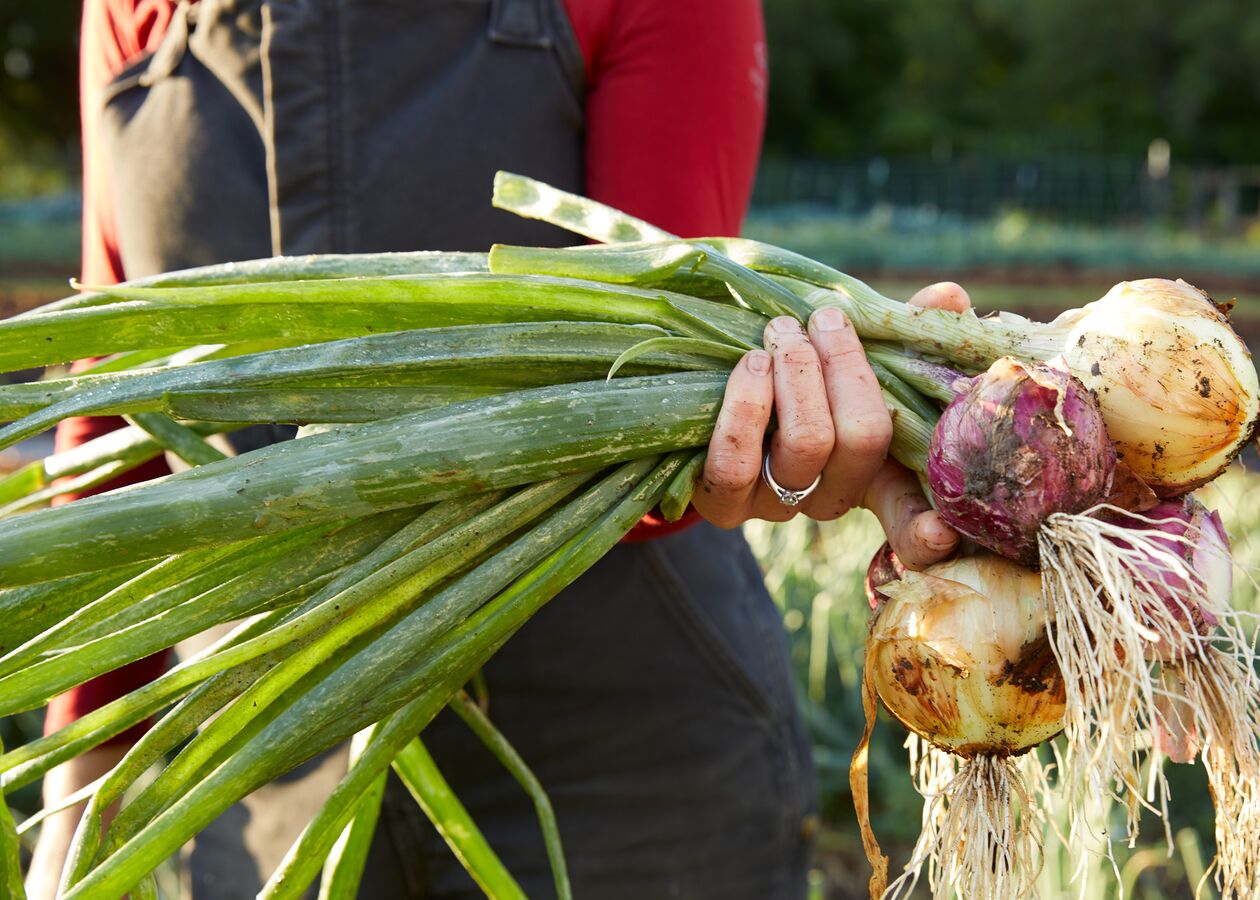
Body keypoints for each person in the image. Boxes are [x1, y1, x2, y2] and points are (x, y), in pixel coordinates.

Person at [27, 1, 973, 897]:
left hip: (618, 739)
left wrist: (764, 434)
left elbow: (672, 377)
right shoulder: (128, 12)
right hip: (261, 742)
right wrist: (89, 758)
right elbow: (119, 394)